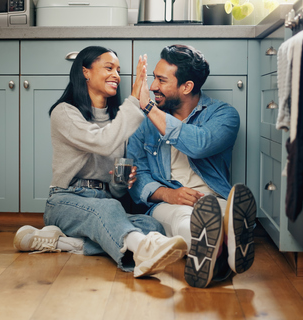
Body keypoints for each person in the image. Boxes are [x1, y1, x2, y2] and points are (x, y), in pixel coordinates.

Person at [13, 46, 188, 277]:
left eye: (118, 70)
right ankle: (142, 251)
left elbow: (115, 191)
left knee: (153, 226)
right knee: (110, 210)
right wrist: (135, 101)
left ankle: (64, 244)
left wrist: (120, 181)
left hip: (105, 202)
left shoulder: (119, 121)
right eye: (109, 68)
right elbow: (103, 142)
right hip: (66, 201)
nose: (116, 75)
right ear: (86, 72)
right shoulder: (65, 112)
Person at [127, 44, 257, 288]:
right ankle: (221, 253)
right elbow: (137, 179)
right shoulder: (143, 124)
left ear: (186, 86)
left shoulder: (224, 115)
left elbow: (199, 144)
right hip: (167, 203)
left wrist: (148, 107)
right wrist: (169, 194)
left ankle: (224, 242)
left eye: (161, 80)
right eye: (153, 78)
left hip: (211, 198)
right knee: (182, 217)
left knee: (220, 212)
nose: (153, 86)